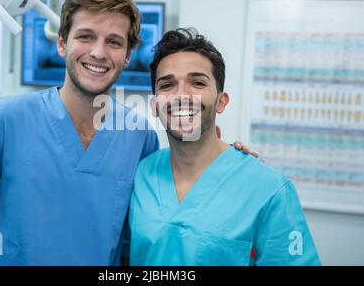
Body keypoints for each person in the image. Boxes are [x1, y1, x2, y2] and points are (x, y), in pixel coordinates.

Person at [0, 0, 253, 266]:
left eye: (114, 42)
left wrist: (225, 159)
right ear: (62, 43)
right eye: (86, 36)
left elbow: (148, 222)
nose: (99, 52)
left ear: (127, 55)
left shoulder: (139, 135)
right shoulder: (7, 119)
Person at [128, 28, 321, 266]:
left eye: (197, 83)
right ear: (155, 105)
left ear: (221, 102)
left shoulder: (269, 189)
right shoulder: (140, 176)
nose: (181, 96)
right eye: (167, 85)